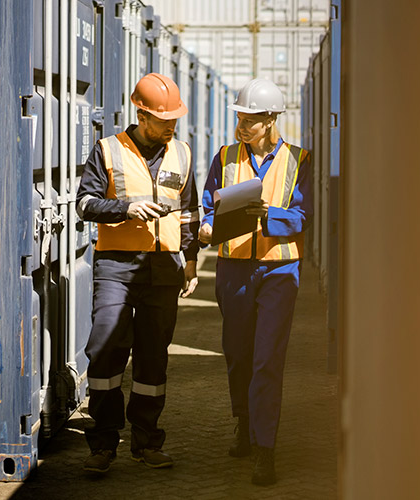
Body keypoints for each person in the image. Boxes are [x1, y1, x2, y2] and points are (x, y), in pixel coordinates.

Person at [76, 73, 200, 473]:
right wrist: (125, 209)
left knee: (152, 358)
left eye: (174, 121)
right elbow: (84, 204)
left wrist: (191, 260)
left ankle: (146, 441)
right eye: (164, 121)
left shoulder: (181, 153)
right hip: (116, 266)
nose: (171, 127)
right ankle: (104, 443)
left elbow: (190, 213)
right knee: (105, 350)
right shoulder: (108, 150)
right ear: (141, 114)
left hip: (164, 269)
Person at [199, 78, 313, 486]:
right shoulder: (225, 157)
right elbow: (209, 203)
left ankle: (265, 447)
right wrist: (207, 228)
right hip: (233, 269)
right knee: (237, 353)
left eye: (250, 120)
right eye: (240, 119)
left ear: (270, 121)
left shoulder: (300, 160)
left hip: (279, 271)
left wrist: (268, 215)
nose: (241, 126)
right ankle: (244, 423)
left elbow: (302, 218)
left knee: (267, 359)